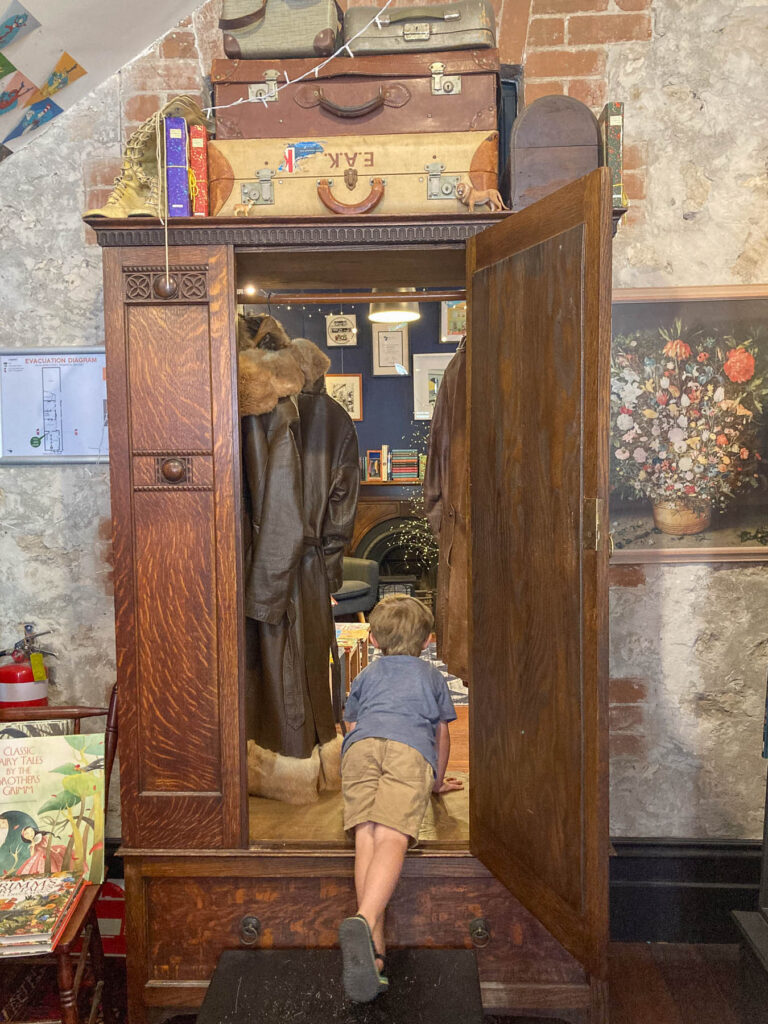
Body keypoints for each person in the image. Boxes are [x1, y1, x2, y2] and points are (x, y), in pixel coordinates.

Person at [337, 594, 464, 1002]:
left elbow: (351, 723)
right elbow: (442, 733)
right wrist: (436, 781)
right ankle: (364, 918)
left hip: (360, 750)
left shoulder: (366, 674)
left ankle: (374, 954)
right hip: (407, 751)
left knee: (366, 835)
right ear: (427, 641)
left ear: (373, 640)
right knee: (393, 835)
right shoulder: (431, 676)